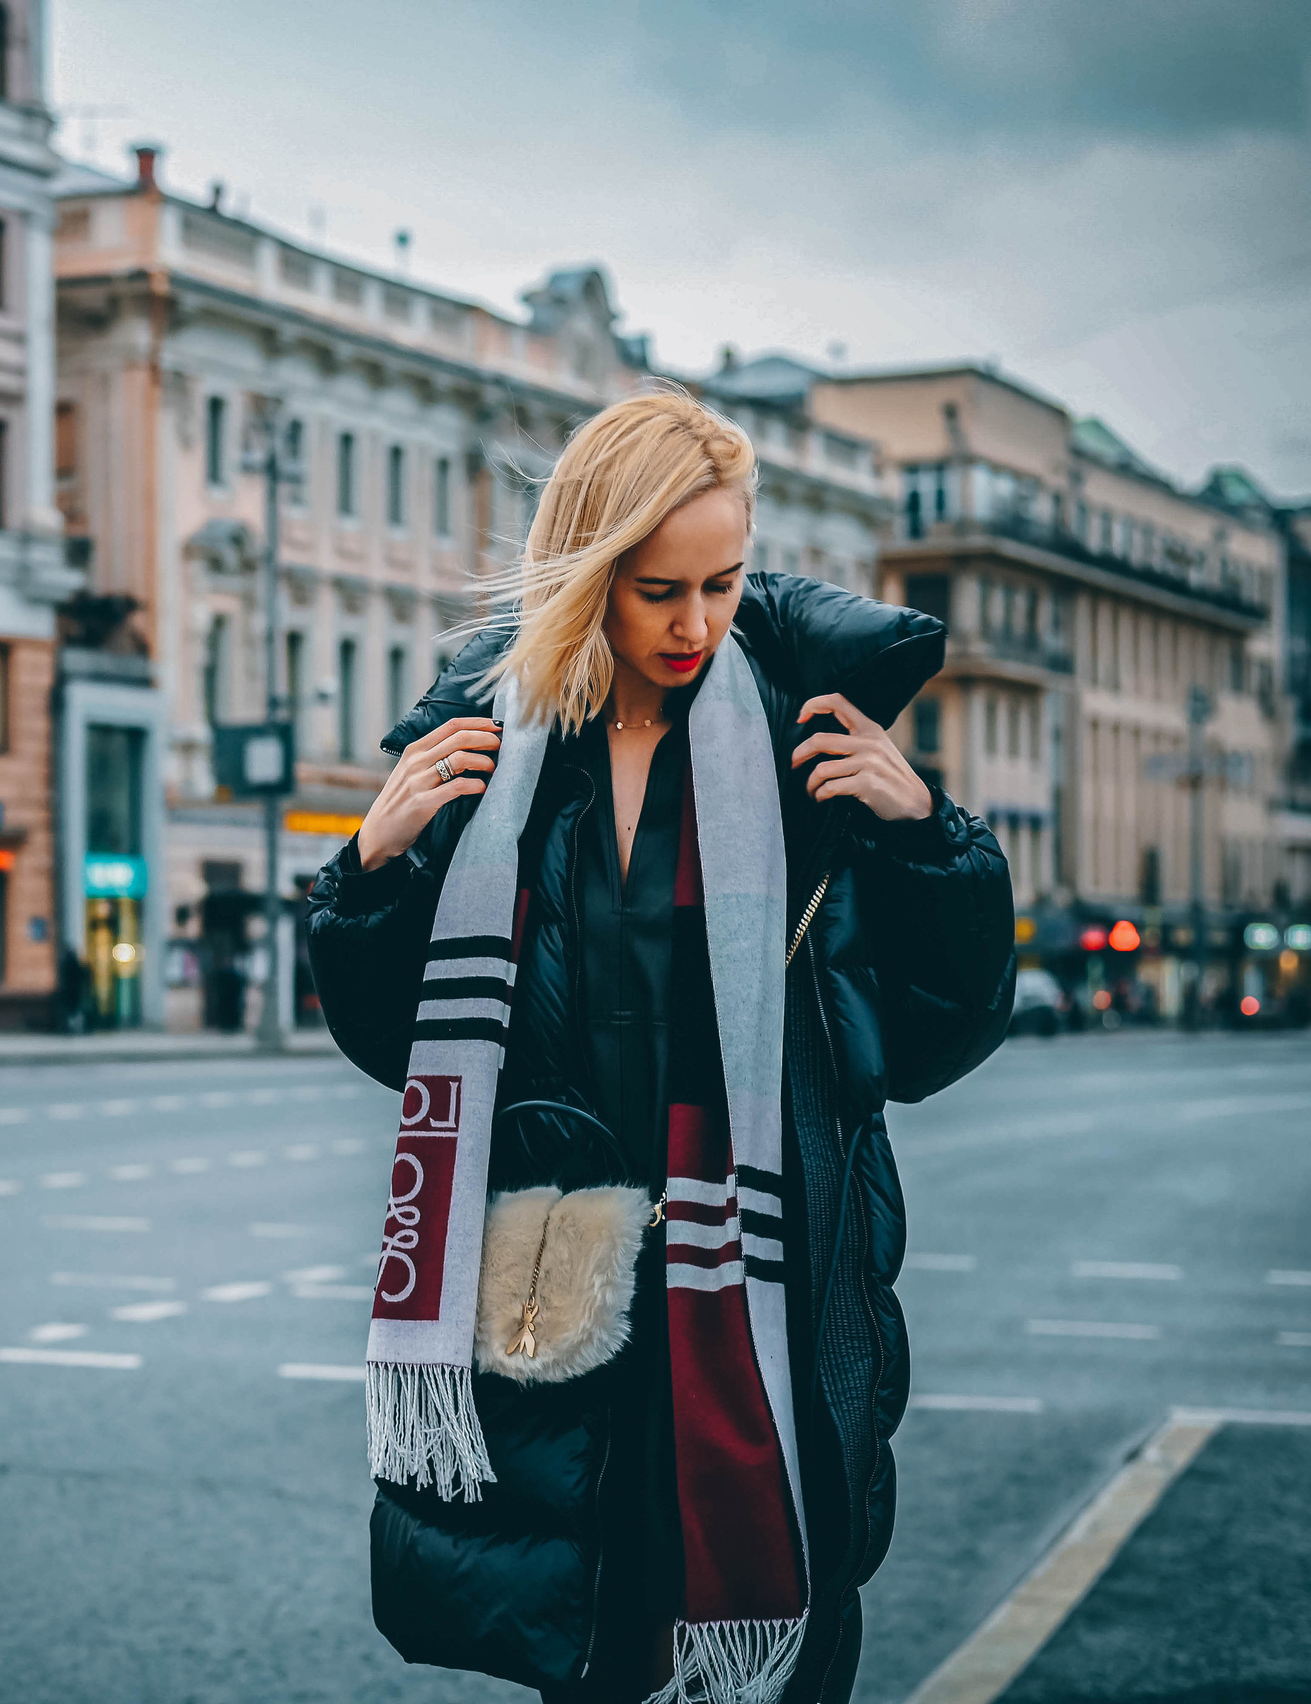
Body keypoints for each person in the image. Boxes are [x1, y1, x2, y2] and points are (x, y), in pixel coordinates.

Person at [307, 387, 1013, 1704]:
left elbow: (933, 1041)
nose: (695, 623)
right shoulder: (488, 752)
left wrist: (932, 848)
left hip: (765, 1311)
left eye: (723, 583)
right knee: (592, 1665)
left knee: (771, 1668)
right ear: (589, 573)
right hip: (561, 1311)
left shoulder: (816, 753)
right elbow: (389, 1044)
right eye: (656, 589)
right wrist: (373, 876)